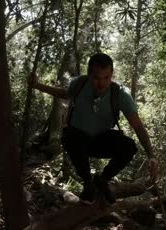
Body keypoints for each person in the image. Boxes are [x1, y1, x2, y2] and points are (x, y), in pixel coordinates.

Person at [28, 53, 158, 204]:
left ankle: (102, 180)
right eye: (97, 78)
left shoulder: (120, 94)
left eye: (106, 78)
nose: (102, 84)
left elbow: (138, 126)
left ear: (112, 75)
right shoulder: (79, 84)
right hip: (78, 140)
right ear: (89, 74)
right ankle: (88, 183)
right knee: (69, 135)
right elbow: (65, 93)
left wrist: (151, 156)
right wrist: (37, 85)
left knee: (129, 146)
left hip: (101, 141)